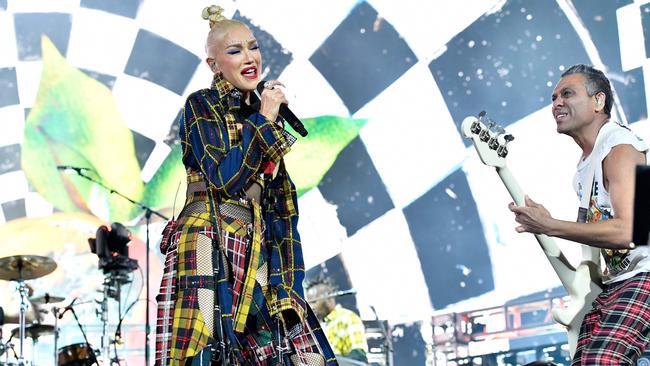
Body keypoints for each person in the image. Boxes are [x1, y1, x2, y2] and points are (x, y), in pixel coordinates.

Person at [154, 5, 337, 366]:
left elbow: (283, 212)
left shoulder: (261, 117)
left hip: (256, 246)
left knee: (304, 355)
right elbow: (225, 178)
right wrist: (265, 119)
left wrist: (287, 288)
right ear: (214, 65)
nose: (250, 57)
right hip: (208, 237)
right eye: (235, 51)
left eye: (253, 47)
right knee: (204, 352)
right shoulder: (201, 106)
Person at [508, 64, 649, 365]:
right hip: (621, 281)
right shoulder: (585, 167)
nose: (556, 103)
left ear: (599, 102)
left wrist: (550, 226)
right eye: (554, 97)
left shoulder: (622, 147)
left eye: (567, 94)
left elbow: (631, 230)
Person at [306, 277, 368, 364]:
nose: (311, 307)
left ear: (328, 296)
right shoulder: (320, 325)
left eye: (313, 302)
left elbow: (359, 357)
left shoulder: (347, 317)